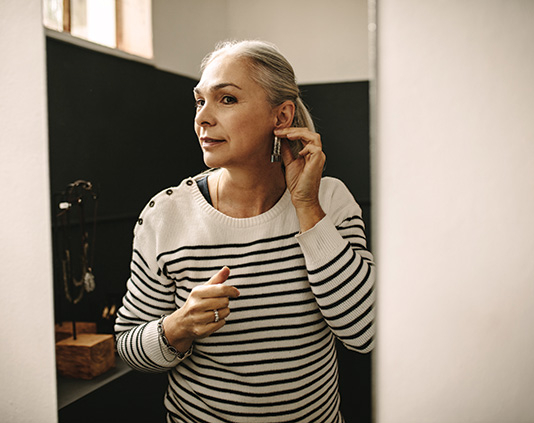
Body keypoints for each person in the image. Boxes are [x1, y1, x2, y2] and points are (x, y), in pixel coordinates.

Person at [114, 39, 375, 423]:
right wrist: (177, 327)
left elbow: (365, 332)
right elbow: (127, 347)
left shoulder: (329, 200)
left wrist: (306, 207)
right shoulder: (165, 215)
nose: (203, 118)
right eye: (200, 101)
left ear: (281, 117)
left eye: (227, 99)